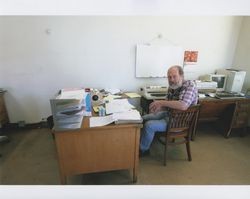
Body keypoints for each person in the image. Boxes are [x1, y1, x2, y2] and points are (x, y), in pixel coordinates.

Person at [139, 65, 198, 156]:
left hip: (178, 122)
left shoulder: (190, 86)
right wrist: (159, 107)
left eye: (174, 76)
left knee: (149, 125)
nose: (171, 79)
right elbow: (168, 104)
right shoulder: (172, 87)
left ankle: (143, 150)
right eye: (169, 77)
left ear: (182, 76)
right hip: (169, 114)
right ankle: (143, 141)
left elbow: (183, 105)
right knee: (143, 118)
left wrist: (161, 103)